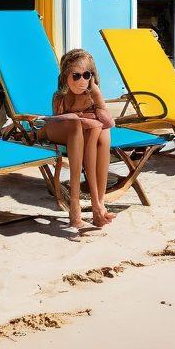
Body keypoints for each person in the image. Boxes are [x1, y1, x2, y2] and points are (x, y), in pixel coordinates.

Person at [42, 48, 115, 231]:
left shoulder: (91, 94)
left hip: (85, 135)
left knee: (102, 132)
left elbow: (109, 122)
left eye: (86, 75)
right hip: (59, 131)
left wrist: (97, 97)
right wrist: (81, 117)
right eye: (76, 76)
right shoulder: (60, 97)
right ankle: (76, 206)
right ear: (66, 75)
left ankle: (99, 205)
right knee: (79, 124)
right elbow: (57, 121)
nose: (81, 81)